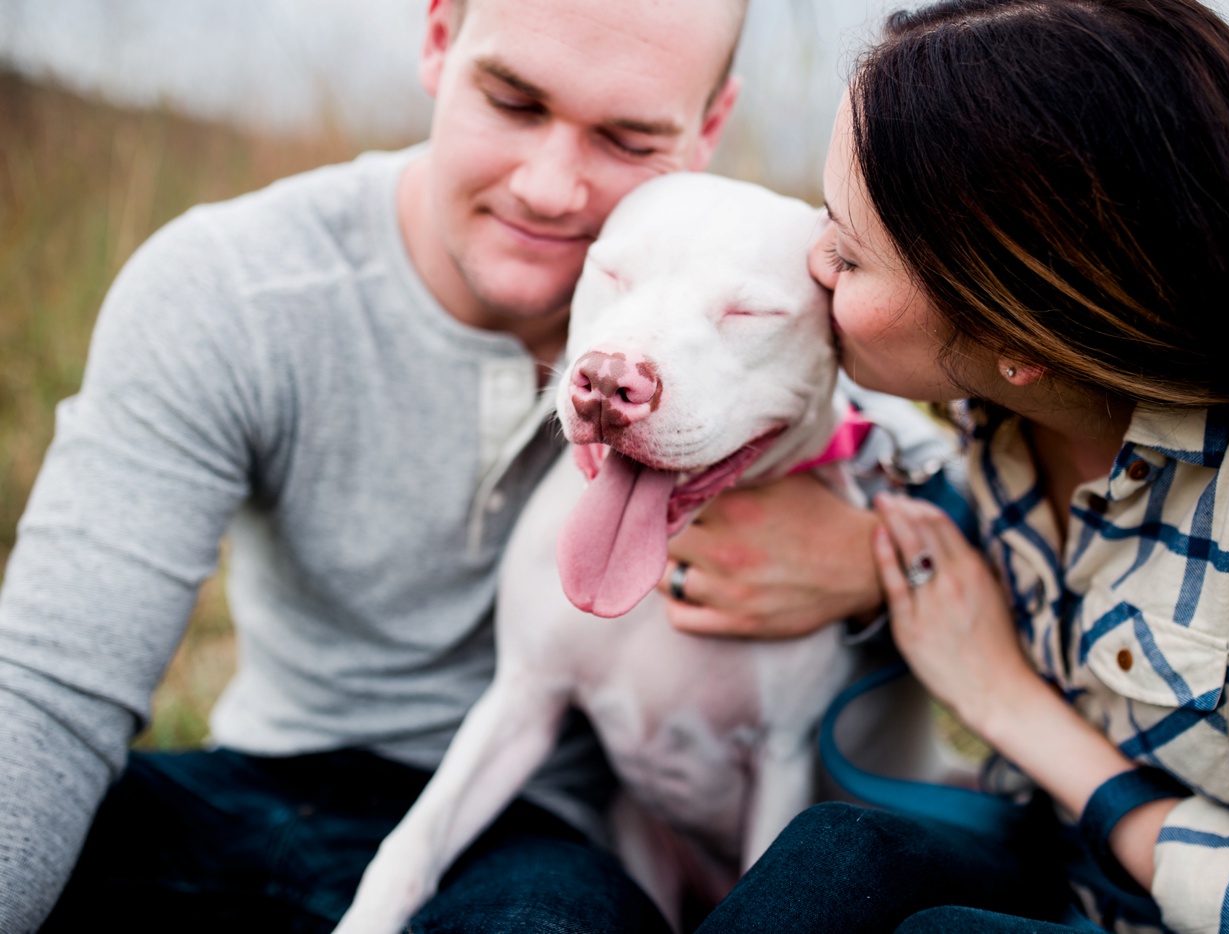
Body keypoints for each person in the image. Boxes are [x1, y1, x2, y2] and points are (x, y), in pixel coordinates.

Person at [0, 0, 891, 931]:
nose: (550, 189)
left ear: (708, 128)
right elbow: (50, 691)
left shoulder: (735, 289)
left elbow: (886, 424)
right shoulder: (230, 289)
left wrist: (878, 554)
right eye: (513, 100)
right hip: (255, 781)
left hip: (534, 836)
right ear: (436, 41)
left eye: (628, 137)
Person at [689, 0, 1229, 931]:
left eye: (851, 253)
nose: (813, 258)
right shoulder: (1009, 419)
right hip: (1056, 876)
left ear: (1020, 332)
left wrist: (1005, 701)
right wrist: (874, 559)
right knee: (837, 856)